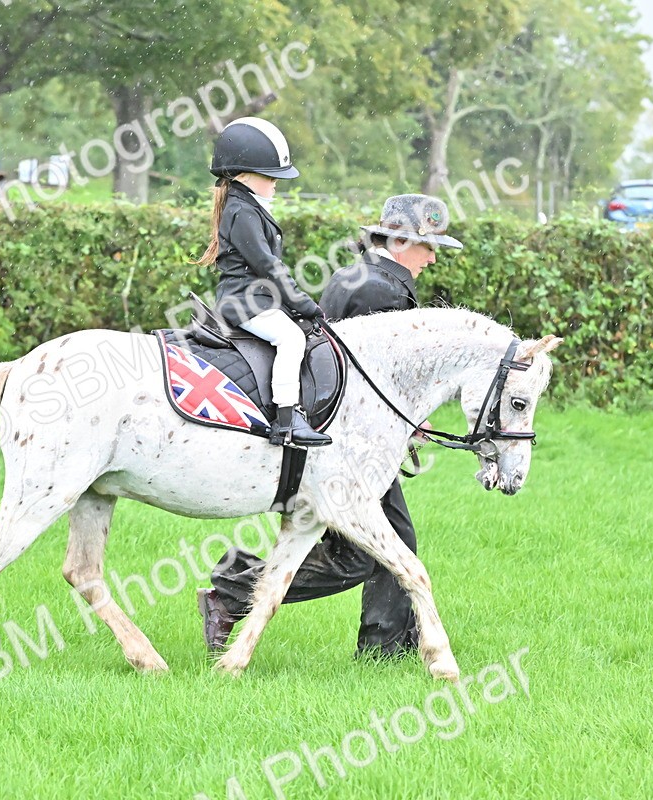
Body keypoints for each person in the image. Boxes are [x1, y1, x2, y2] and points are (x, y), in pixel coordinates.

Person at [197, 193, 464, 659]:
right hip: (349, 441)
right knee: (376, 547)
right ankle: (237, 589)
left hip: (338, 432)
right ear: (401, 241)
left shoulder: (355, 275)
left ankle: (386, 647)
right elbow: (372, 370)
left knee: (379, 544)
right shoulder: (382, 290)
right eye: (428, 245)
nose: (433, 256)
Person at [194, 117, 332, 447]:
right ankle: (286, 420)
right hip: (243, 302)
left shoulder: (246, 207)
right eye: (271, 177)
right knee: (290, 339)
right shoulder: (242, 212)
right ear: (244, 175)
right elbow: (269, 267)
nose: (275, 184)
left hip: (254, 298)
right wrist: (303, 304)